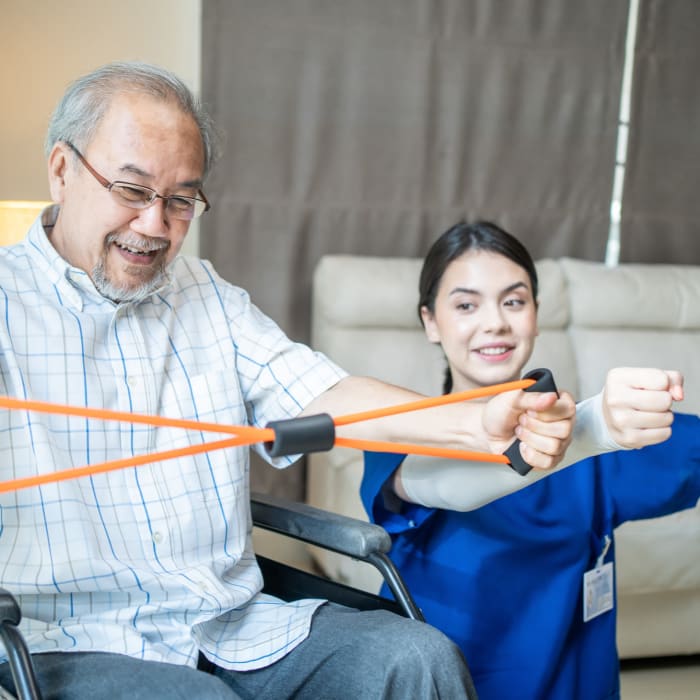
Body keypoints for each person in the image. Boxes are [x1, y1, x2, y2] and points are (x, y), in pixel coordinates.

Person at [0, 63, 580, 699]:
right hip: (64, 647)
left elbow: (324, 396)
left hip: (231, 629)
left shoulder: (207, 295)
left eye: (181, 200)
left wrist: (476, 422)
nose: (155, 226)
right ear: (61, 170)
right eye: (132, 191)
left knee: (417, 657)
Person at [361, 221, 699, 700]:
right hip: (439, 684)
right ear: (430, 322)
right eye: (465, 305)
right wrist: (589, 427)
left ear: (536, 315)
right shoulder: (398, 432)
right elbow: (440, 483)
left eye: (514, 301)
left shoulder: (598, 449)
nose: (495, 322)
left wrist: (609, 419)